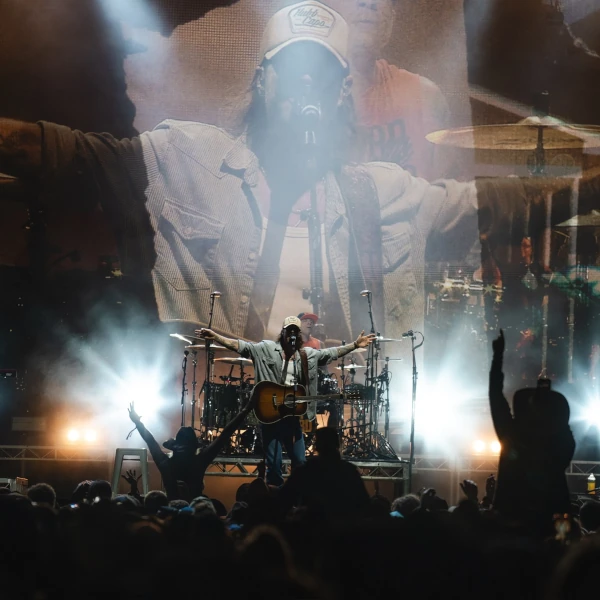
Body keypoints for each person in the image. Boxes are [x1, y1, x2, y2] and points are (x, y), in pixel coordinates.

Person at [0, 1, 588, 350]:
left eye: (322, 75)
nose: (307, 84)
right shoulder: (185, 156)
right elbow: (51, 149)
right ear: (262, 81)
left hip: (332, 413)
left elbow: (496, 205)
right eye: (293, 69)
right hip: (214, 404)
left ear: (341, 96)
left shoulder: (375, 191)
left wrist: (589, 188)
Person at [195, 315, 376, 486]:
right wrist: (216, 336)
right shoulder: (265, 348)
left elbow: (331, 353)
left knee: (300, 461)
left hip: (292, 416)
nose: (291, 335)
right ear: (282, 332)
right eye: (288, 331)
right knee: (274, 465)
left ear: (299, 335)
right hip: (270, 416)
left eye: (295, 332)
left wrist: (354, 345)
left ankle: (298, 498)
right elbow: (240, 346)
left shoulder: (307, 355)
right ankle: (275, 499)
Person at [328, 0, 453, 180]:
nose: (369, 3)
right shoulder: (301, 99)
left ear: (391, 21)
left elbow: (443, 200)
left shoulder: (426, 98)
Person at [489, 329, 575, 532]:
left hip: (511, 524)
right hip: (552, 523)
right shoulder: (560, 444)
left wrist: (497, 356)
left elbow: (495, 395)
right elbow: (564, 426)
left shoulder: (511, 436)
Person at [127, 397, 254, 500]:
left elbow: (150, 441)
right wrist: (246, 409)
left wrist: (138, 423)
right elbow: (225, 434)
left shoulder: (166, 463)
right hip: (195, 517)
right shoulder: (200, 461)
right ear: (194, 447)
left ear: (175, 447)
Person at [279, 426, 370, 519]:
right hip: (344, 529)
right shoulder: (350, 471)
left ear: (316, 446)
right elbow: (364, 506)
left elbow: (283, 500)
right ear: (338, 445)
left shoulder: (305, 471)